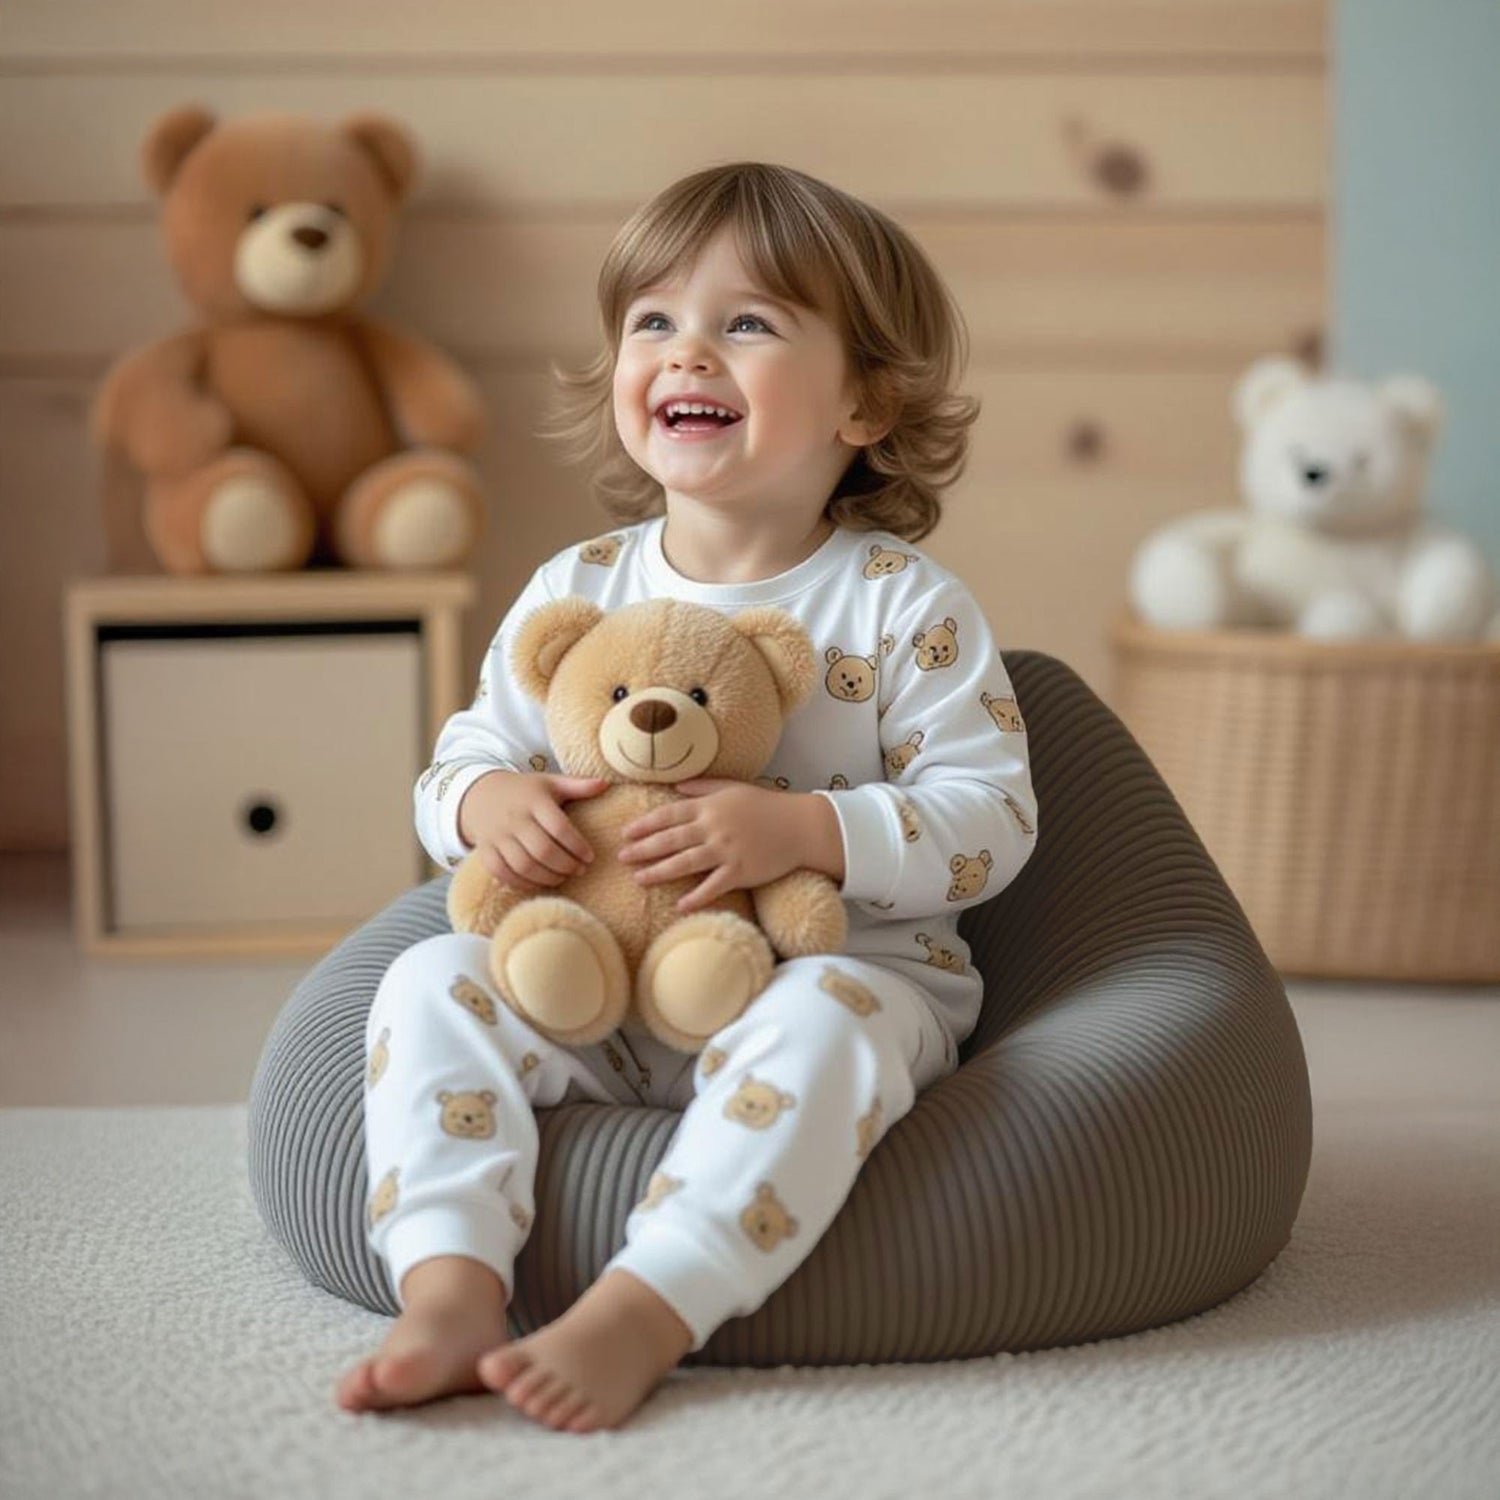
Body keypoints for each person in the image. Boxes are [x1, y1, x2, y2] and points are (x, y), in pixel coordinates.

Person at [335, 162, 1039, 1431]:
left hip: (834, 979)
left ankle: (650, 1304)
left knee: (824, 1020)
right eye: (652, 321)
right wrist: (489, 805)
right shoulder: (580, 584)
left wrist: (806, 829)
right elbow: (452, 764)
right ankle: (447, 1285)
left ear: (867, 403)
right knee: (424, 980)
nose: (687, 352)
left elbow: (995, 820)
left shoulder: (899, 604)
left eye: (748, 323)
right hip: (592, 986)